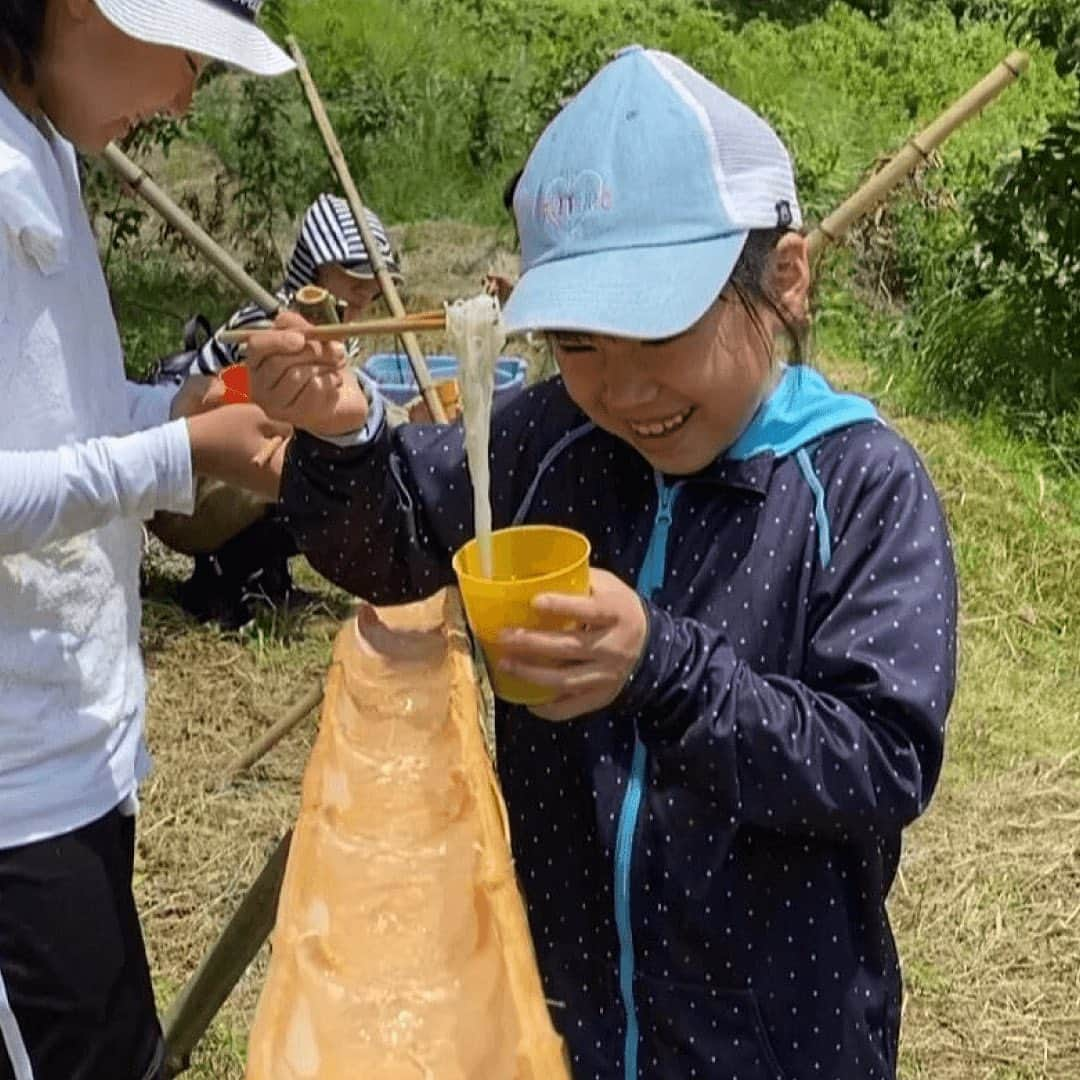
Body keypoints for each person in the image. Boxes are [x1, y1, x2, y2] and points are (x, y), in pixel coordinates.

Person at [247, 47, 958, 1080]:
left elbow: (881, 763)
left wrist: (664, 669)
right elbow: (392, 544)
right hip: (564, 1011)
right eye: (579, 342)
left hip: (782, 1038)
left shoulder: (856, 486)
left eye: (658, 329)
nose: (622, 391)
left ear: (786, 281)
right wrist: (341, 429)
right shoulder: (549, 440)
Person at [0, 3, 325, 1078]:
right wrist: (182, 455)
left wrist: (189, 407)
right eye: (187, 56)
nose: (184, 97)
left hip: (74, 739)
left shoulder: (42, 146)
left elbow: (71, 422)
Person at [149, 194, 403, 628]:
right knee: (321, 460)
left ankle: (262, 577)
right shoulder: (270, 329)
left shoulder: (336, 333)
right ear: (317, 269)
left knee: (342, 456)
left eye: (372, 281)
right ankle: (221, 577)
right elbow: (222, 394)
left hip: (231, 475)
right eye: (353, 276)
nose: (366, 291)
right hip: (188, 493)